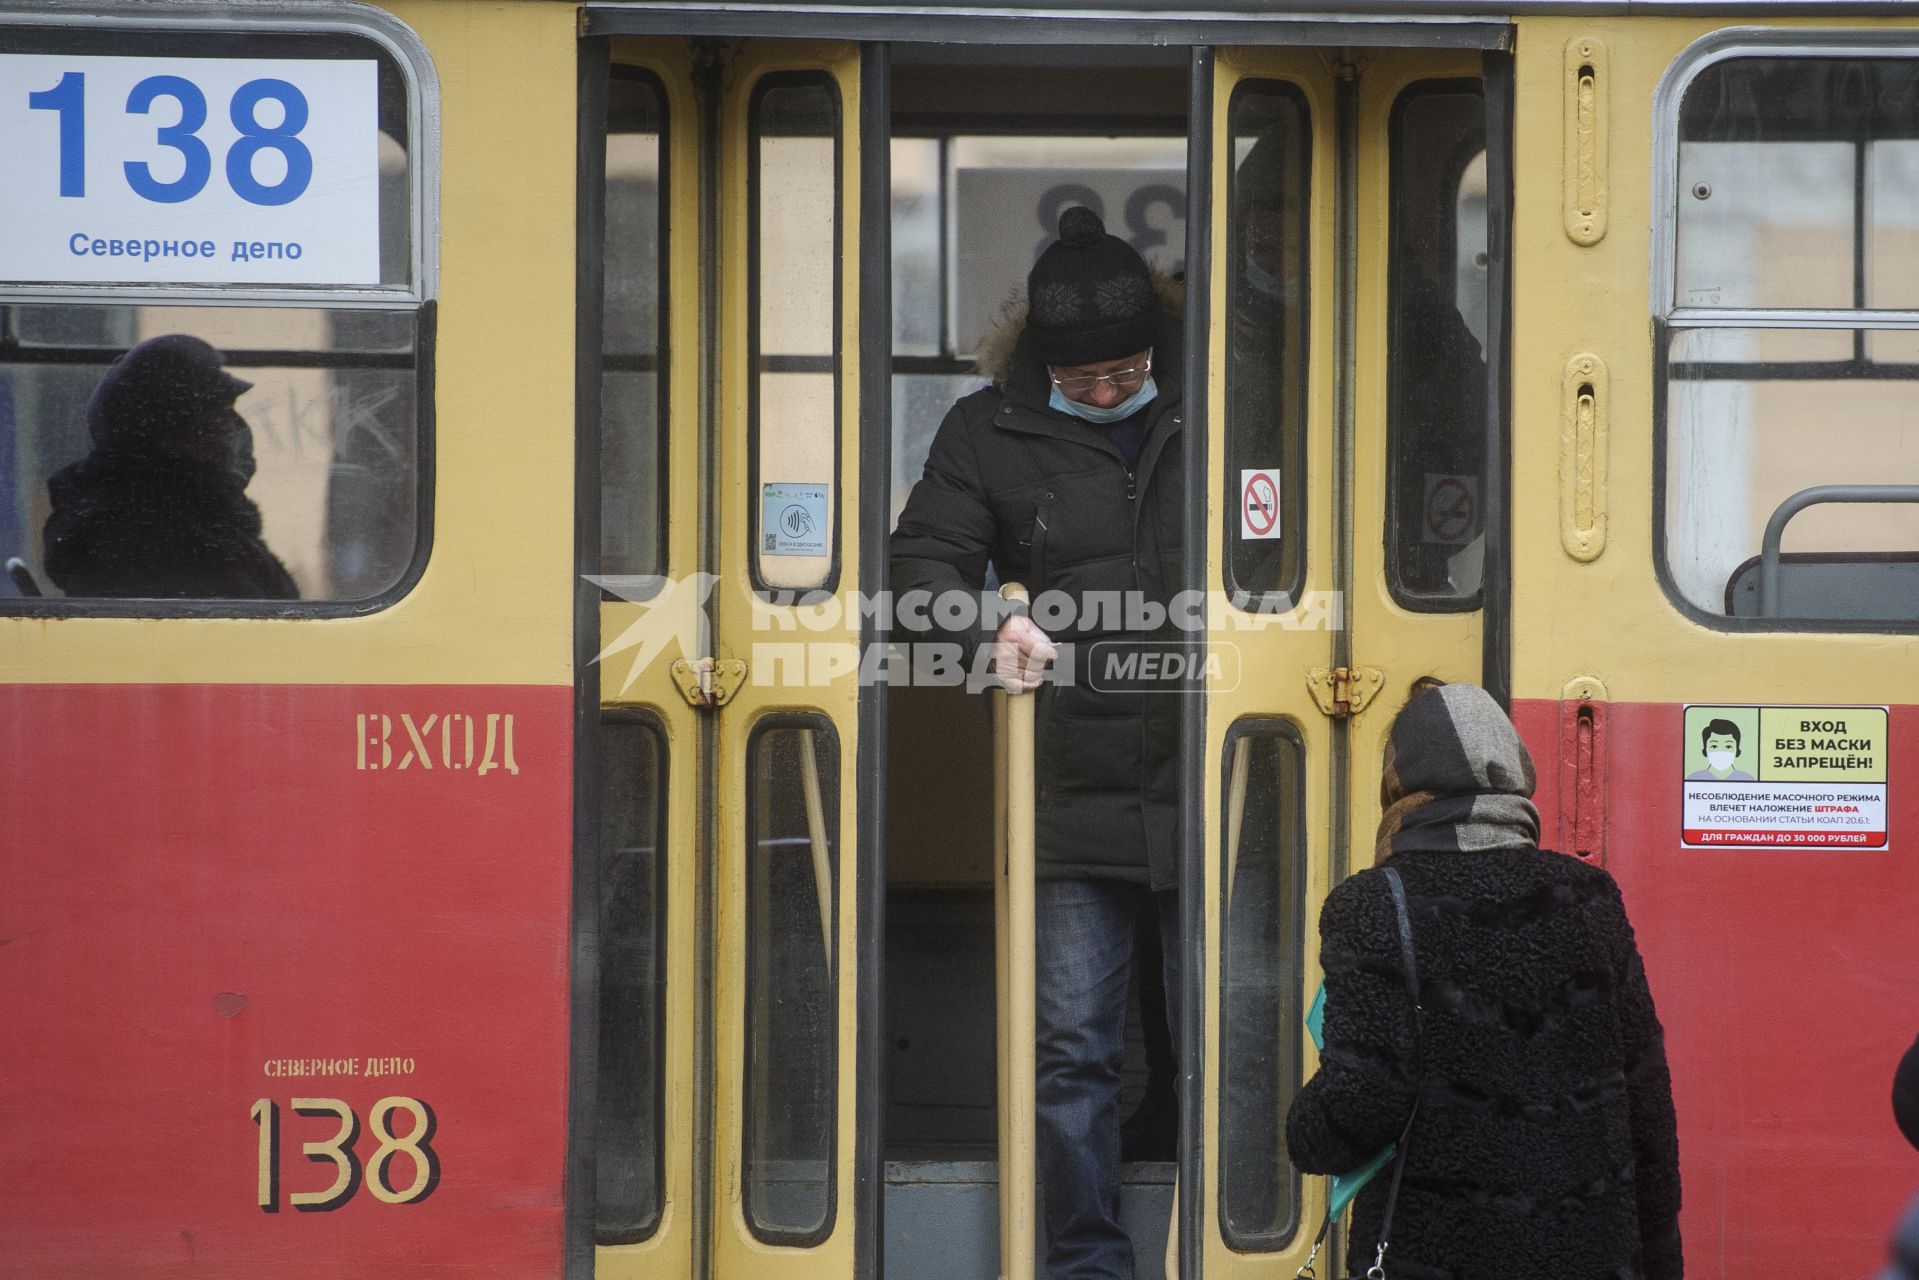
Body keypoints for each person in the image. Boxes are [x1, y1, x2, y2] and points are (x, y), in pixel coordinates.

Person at [891, 205, 1184, 1280]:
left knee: (1218, 1041)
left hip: (1220, 781)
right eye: (1083, 380)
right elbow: (918, 570)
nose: (1107, 392)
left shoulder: (1226, 400)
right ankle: (1086, 1261)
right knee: (1071, 1052)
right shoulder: (982, 431)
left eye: (1126, 371)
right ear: (1037, 363)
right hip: (1065, 787)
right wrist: (987, 624)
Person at [1286, 681, 1683, 1280]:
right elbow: (1647, 1107)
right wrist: (1660, 1262)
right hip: (1587, 1257)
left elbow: (1363, 1101)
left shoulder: (1372, 905)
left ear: (1402, 784)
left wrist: (1300, 1131)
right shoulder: (1590, 897)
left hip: (1437, 1254)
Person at [43, 333, 297, 600]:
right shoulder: (155, 540)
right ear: (172, 435)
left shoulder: (194, 521)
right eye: (220, 413)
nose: (235, 427)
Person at [1686, 718, 1756, 782]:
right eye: (1714, 746)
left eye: (1728, 747)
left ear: (1737, 752)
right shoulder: (1693, 779)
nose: (1721, 752)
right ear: (1705, 751)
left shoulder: (1748, 779)